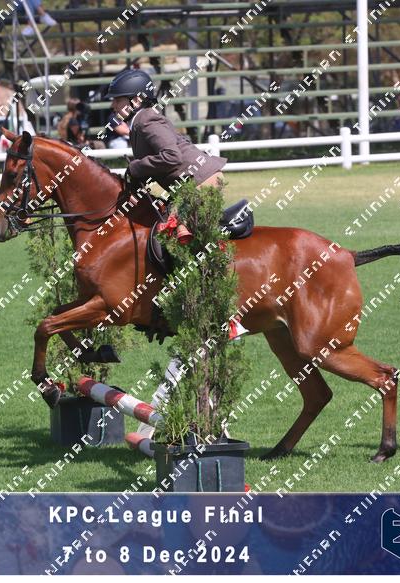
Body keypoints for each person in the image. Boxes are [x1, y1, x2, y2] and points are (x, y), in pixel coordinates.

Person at [105, 69, 249, 440]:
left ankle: (220, 314)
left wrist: (135, 167)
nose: (114, 105)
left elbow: (169, 156)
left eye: (118, 99)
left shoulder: (147, 120)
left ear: (136, 100)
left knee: (175, 236)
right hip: (187, 183)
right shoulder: (139, 121)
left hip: (199, 183)